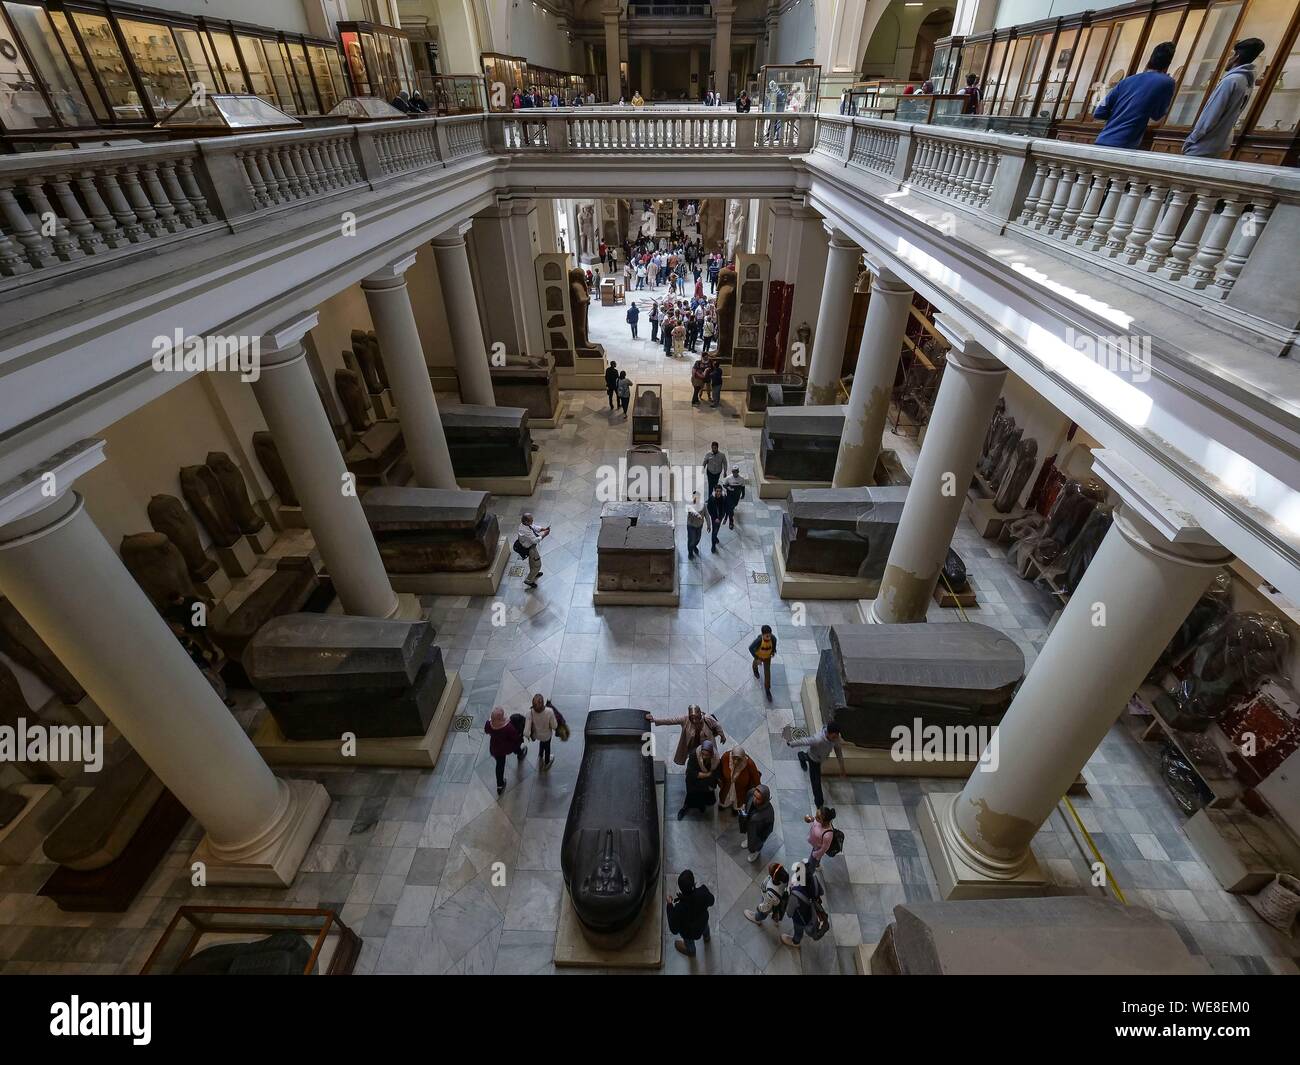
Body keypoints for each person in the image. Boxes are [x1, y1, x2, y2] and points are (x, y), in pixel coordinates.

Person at [1183, 38, 1266, 157]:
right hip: (1219, 142)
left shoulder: (1230, 81)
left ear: (1236, 56)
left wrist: (1191, 140)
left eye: (1230, 55)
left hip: (1203, 145)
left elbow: (1210, 115)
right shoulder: (1246, 80)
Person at [1093, 41, 1177, 150]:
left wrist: (1120, 115)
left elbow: (1100, 112)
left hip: (1103, 140)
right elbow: (1157, 115)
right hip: (1125, 144)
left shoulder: (1127, 81)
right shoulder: (1167, 82)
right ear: (1168, 64)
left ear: (1150, 60)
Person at [786, 720, 846, 810]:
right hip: (814, 760)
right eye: (834, 736)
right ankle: (819, 805)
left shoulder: (835, 738)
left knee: (806, 756)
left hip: (819, 757)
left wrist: (842, 767)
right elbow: (805, 741)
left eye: (837, 736)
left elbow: (838, 751)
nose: (836, 738)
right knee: (816, 782)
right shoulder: (818, 739)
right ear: (829, 733)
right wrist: (791, 743)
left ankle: (801, 755)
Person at [647, 704, 725, 765]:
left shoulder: (707, 718)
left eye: (696, 717)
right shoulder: (685, 719)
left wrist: (722, 735)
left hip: (706, 742)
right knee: (694, 758)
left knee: (710, 757)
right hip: (693, 744)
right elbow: (670, 720)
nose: (694, 720)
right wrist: (655, 720)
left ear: (699, 714)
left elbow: (717, 725)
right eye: (692, 717)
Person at [666, 869, 715, 957]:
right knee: (705, 927)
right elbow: (712, 901)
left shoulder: (679, 908)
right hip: (703, 923)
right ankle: (707, 937)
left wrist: (669, 905)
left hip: (689, 933)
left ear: (681, 889)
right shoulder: (703, 892)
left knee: (689, 941)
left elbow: (674, 929)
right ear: (694, 882)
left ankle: (691, 951)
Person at [782, 863, 829, 948]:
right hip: (814, 910)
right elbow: (821, 892)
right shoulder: (814, 879)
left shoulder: (795, 894)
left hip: (801, 918)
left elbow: (789, 913)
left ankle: (795, 942)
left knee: (798, 930)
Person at [485, 706, 526, 796]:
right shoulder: (508, 727)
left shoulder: (489, 725)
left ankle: (500, 785)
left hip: (495, 749)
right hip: (507, 747)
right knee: (516, 746)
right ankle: (520, 754)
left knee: (499, 766)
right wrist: (520, 738)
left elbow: (486, 730)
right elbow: (515, 737)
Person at [680, 740, 721, 819]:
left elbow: (716, 772)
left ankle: (701, 806)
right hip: (694, 781)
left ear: (711, 754)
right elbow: (691, 772)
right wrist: (707, 774)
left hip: (706, 782)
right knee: (691, 795)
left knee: (704, 796)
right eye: (703, 754)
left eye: (707, 755)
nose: (704, 757)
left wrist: (715, 780)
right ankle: (686, 807)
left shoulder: (716, 759)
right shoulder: (694, 755)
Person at [718, 745, 761, 818]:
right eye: (734, 758)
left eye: (739, 759)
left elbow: (756, 778)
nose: (736, 761)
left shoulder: (749, 764)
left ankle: (735, 809)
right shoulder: (726, 757)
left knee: (738, 801)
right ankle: (723, 805)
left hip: (740, 790)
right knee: (725, 797)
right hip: (727, 786)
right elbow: (719, 769)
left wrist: (759, 790)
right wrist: (719, 779)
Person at [740, 784, 776, 862]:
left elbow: (769, 828)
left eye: (758, 798)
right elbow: (746, 801)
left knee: (756, 844)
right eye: (754, 796)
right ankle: (749, 840)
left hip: (758, 832)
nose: (754, 799)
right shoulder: (751, 793)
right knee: (750, 836)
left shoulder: (769, 812)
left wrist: (761, 838)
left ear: (764, 799)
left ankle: (756, 852)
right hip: (750, 824)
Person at [526, 693, 561, 769]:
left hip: (537, 735)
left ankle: (540, 754)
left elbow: (526, 730)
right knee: (547, 747)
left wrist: (529, 735)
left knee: (541, 742)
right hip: (547, 735)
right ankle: (547, 762)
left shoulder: (530, 712)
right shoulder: (549, 712)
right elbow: (554, 726)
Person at [516, 511, 549, 589]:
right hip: (531, 549)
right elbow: (535, 540)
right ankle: (529, 580)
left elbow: (533, 527)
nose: (532, 521)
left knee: (532, 563)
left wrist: (543, 529)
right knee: (537, 564)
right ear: (526, 522)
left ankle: (535, 573)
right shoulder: (525, 531)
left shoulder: (525, 525)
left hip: (531, 547)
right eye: (531, 520)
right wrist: (544, 535)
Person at [804, 805, 838, 871]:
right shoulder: (818, 820)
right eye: (816, 815)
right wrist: (809, 819)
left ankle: (810, 873)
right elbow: (814, 820)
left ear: (824, 821)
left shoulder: (828, 835)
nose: (815, 817)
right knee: (815, 859)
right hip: (815, 843)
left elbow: (824, 848)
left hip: (817, 848)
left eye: (818, 817)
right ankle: (817, 864)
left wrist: (815, 854)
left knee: (811, 863)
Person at [748, 623, 777, 699]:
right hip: (759, 656)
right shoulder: (759, 640)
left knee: (767, 673)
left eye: (770, 635)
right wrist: (757, 658)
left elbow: (774, 645)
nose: (769, 637)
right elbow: (750, 648)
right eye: (767, 636)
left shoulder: (773, 638)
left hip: (767, 657)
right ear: (763, 635)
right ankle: (755, 670)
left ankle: (767, 689)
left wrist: (773, 651)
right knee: (755, 663)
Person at [722, 465, 745, 529]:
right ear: (732, 472)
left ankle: (727, 514)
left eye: (736, 471)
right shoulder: (728, 478)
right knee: (731, 508)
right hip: (730, 495)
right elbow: (724, 485)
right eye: (733, 472)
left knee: (733, 505)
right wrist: (728, 487)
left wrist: (743, 495)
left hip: (736, 496)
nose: (735, 473)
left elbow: (743, 487)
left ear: (738, 472)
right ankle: (731, 521)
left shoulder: (741, 479)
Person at [706, 485, 728, 554]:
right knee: (714, 531)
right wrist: (714, 518)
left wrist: (725, 518)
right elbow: (709, 509)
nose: (718, 493)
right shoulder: (711, 498)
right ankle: (713, 545)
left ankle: (715, 537)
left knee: (717, 529)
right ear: (714, 491)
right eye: (717, 491)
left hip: (720, 517)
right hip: (714, 518)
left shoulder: (724, 498)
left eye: (720, 491)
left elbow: (726, 508)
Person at [686, 490, 706, 559]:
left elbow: (706, 514)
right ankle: (690, 552)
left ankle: (694, 546)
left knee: (698, 539)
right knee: (691, 540)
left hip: (699, 525)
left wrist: (709, 524)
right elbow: (691, 515)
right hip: (691, 526)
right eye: (695, 497)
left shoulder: (703, 505)